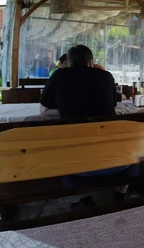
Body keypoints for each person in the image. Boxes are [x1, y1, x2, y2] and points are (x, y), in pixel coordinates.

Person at [40, 45, 127, 207]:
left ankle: (85, 199)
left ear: (68, 62)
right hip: (116, 160)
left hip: (76, 162)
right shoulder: (106, 77)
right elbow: (112, 106)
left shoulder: (58, 76)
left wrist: (69, 111)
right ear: (91, 60)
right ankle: (120, 194)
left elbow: (44, 111)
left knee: (60, 148)